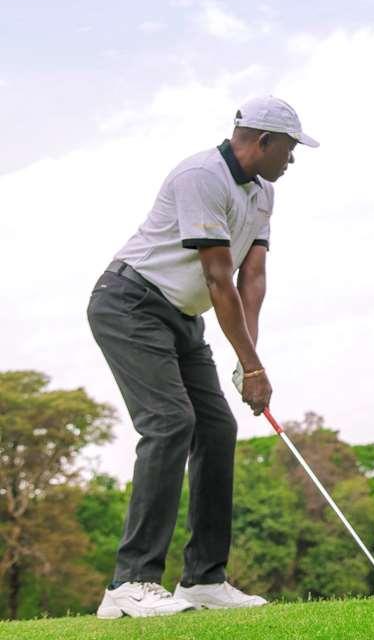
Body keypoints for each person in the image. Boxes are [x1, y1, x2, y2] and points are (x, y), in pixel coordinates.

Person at [87, 96, 318, 618]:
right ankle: (131, 581)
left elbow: (249, 277)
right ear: (262, 141)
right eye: (289, 148)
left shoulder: (263, 194)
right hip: (130, 303)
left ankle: (203, 581)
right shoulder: (201, 176)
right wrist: (252, 366)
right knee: (170, 423)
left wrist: (248, 359)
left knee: (216, 429)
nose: (292, 159)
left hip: (182, 317)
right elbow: (217, 275)